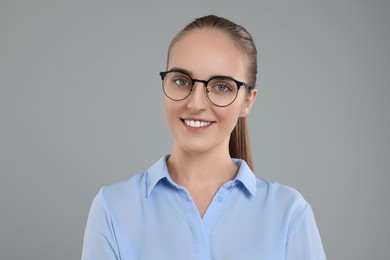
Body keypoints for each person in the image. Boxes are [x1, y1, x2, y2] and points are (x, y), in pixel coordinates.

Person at [81, 15, 326, 260]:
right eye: (181, 81)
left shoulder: (289, 213)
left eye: (222, 86)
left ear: (247, 101)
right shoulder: (112, 208)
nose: (196, 103)